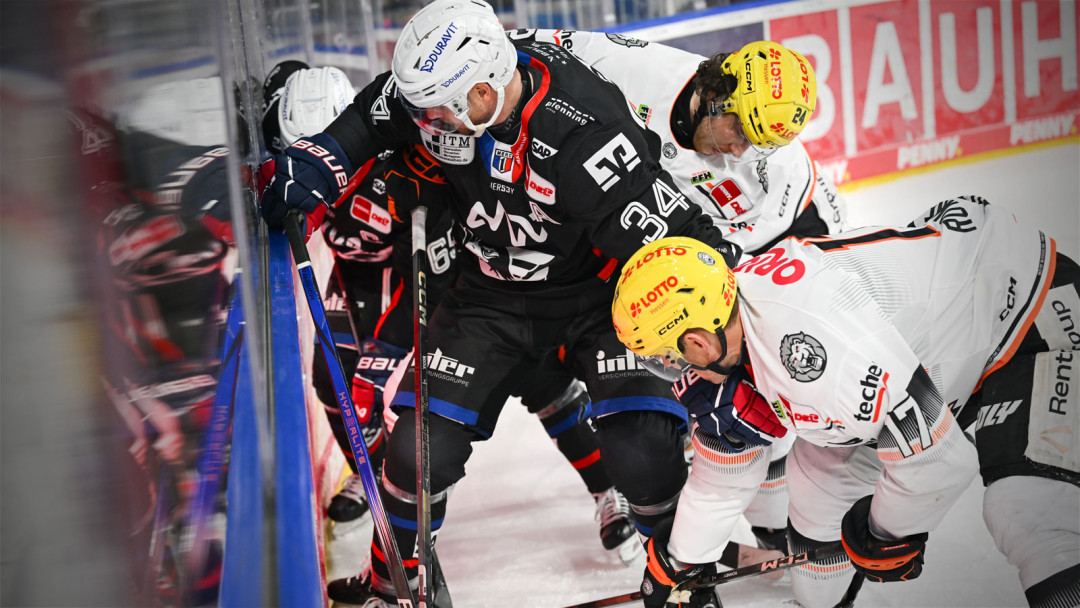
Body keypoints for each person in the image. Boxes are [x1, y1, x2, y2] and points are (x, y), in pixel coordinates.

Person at [257, 0, 754, 604]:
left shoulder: (583, 133)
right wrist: (322, 159)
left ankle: (681, 570)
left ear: (488, 87)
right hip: (486, 295)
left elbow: (682, 245)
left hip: (595, 298)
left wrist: (738, 346)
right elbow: (377, 111)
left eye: (441, 109)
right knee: (418, 455)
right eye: (423, 109)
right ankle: (396, 584)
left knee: (644, 450)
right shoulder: (446, 86)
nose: (428, 122)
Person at [611, 196, 1079, 608]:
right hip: (939, 345)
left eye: (667, 358)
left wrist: (886, 535)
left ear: (697, 340)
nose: (675, 372)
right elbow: (721, 479)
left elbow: (937, 462)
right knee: (818, 480)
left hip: (1030, 317)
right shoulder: (738, 325)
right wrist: (681, 565)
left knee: (1030, 512)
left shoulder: (811, 348)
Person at [259, 60, 638, 560]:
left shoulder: (403, 170)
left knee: (537, 376)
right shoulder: (303, 140)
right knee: (333, 384)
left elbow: (430, 280)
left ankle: (609, 489)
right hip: (358, 271)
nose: (337, 180)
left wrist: (381, 360)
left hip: (441, 275)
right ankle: (376, 488)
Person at [509, 31, 849, 555]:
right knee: (652, 434)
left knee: (753, 402)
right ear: (717, 93)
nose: (740, 148)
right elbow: (508, 46)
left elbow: (809, 251)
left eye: (757, 140)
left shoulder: (772, 171)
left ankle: (771, 522)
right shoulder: (632, 67)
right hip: (614, 260)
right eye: (738, 128)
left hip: (722, 267)